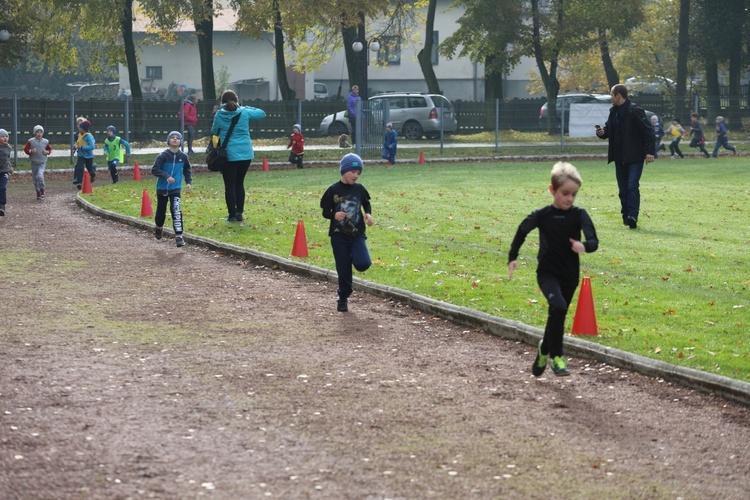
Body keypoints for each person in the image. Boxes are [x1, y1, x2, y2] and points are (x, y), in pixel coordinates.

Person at [507, 162, 599, 377]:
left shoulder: (579, 215)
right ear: (552, 190)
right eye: (565, 193)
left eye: (574, 194)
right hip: (547, 273)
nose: (569, 198)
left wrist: (583, 246)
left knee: (557, 313)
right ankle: (557, 357)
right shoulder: (542, 215)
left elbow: (594, 241)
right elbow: (522, 231)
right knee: (557, 306)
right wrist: (513, 257)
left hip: (570, 275)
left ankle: (543, 349)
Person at [320, 153, 374, 312]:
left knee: (363, 263)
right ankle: (343, 297)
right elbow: (325, 211)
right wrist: (333, 215)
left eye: (358, 173)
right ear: (344, 170)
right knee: (343, 268)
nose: (356, 175)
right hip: (338, 236)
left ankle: (353, 255)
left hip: (356, 234)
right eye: (353, 172)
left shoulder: (360, 189)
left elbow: (366, 204)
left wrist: (368, 214)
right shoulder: (333, 190)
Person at [596, 84, 655, 229]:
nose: (610, 97)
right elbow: (609, 130)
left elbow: (649, 131)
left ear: (618, 95)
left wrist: (649, 152)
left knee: (632, 186)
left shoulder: (635, 111)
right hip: (619, 157)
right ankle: (626, 216)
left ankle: (632, 216)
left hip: (634, 156)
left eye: (611, 95)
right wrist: (602, 133)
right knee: (623, 189)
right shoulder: (613, 112)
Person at [211, 89, 266, 222]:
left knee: (229, 185)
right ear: (237, 100)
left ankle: (232, 215)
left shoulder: (219, 115)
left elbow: (214, 131)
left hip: (228, 155)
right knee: (239, 183)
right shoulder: (244, 112)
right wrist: (246, 106)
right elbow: (262, 113)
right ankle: (239, 212)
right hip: (245, 154)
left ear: (222, 102)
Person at [151, 131, 192, 247]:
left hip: (176, 188)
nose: (175, 139)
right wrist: (166, 176)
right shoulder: (162, 156)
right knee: (161, 211)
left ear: (180, 142)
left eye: (177, 138)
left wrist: (188, 182)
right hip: (162, 188)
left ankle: (179, 236)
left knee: (176, 210)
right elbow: (154, 170)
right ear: (168, 141)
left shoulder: (183, 157)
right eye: (172, 138)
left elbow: (187, 169)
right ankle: (158, 227)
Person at [24, 125, 52, 199]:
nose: (39, 134)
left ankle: (42, 189)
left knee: (40, 175)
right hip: (34, 162)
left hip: (42, 162)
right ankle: (38, 192)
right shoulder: (31, 141)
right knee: (35, 179)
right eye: (37, 132)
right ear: (34, 133)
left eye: (41, 132)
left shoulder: (45, 141)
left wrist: (47, 152)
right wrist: (31, 151)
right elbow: (26, 149)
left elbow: (49, 149)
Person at [72, 119, 96, 190]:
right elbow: (78, 142)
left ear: (83, 129)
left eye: (80, 127)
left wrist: (82, 147)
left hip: (88, 156)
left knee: (89, 168)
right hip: (81, 155)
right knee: (80, 168)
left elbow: (92, 147)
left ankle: (93, 173)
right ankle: (79, 182)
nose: (78, 128)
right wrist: (75, 148)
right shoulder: (79, 135)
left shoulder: (89, 136)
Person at [0, 128, 13, 216]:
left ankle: (2, 205)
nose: (5, 138)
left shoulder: (8, 147)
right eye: (2, 136)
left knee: (2, 187)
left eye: (6, 136)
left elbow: (7, 159)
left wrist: (10, 167)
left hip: (4, 171)